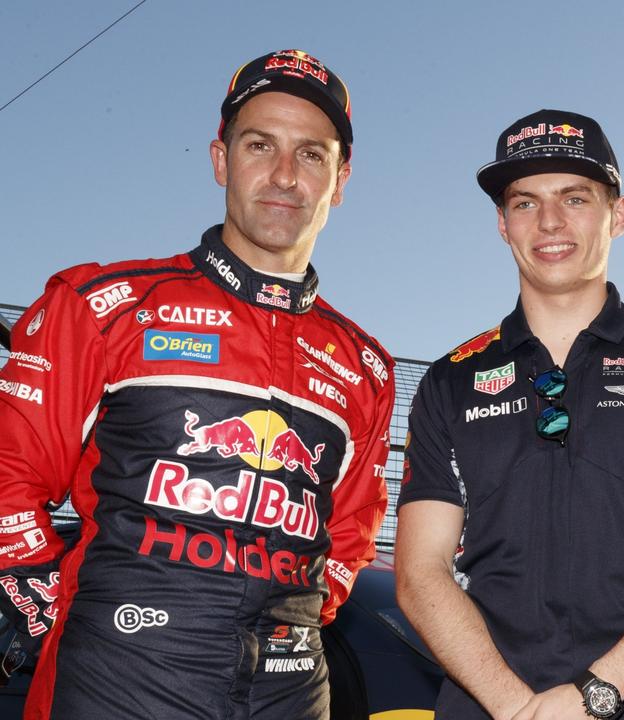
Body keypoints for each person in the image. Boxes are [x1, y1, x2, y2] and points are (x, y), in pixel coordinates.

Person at [0, 49, 396, 719]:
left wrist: (294, 625)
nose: (282, 175)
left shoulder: (365, 365)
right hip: (119, 683)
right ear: (220, 159)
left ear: (340, 179)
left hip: (290, 695)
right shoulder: (104, 306)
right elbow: (10, 469)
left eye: (311, 155)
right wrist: (43, 597)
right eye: (259, 144)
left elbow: (352, 529)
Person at [395, 109, 624, 720]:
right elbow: (419, 573)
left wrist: (598, 691)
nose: (550, 222)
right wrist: (516, 708)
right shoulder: (449, 380)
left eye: (574, 197)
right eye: (525, 202)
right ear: (502, 224)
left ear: (619, 214)